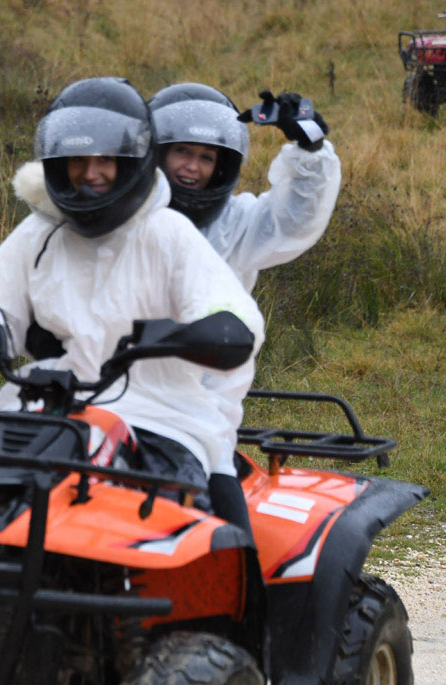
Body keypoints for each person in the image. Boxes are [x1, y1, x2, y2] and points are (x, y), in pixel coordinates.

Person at [0, 77, 265, 499]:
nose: (91, 174)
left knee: (177, 527)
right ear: (57, 163)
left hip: (159, 417)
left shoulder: (167, 232)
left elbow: (232, 314)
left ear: (130, 162)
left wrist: (197, 333)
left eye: (105, 159)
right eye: (77, 160)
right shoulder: (39, 232)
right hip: (47, 405)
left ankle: (244, 562)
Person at [147, 82, 341, 529]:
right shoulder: (125, 215)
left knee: (219, 507)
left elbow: (295, 218)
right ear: (156, 153)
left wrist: (309, 145)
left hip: (203, 402)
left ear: (223, 166)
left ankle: (246, 585)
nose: (191, 168)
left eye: (207, 157)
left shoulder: (236, 225)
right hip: (119, 393)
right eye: (182, 153)